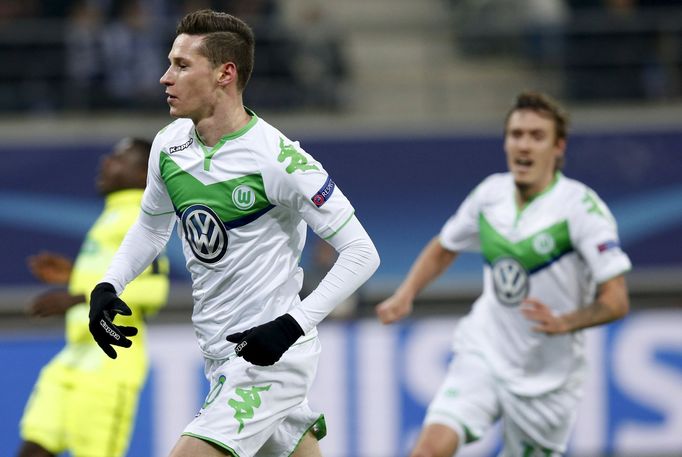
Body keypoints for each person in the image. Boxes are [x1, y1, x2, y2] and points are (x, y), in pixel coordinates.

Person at [87, 9, 379, 457]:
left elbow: (361, 252)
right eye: (170, 63)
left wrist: (291, 326)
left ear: (225, 74)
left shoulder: (281, 160)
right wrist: (110, 283)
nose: (166, 77)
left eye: (182, 66)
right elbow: (151, 225)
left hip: (272, 356)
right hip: (222, 352)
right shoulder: (169, 146)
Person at [376, 91, 631, 457]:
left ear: (558, 147)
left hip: (548, 379)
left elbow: (616, 300)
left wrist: (565, 321)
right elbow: (445, 246)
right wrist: (405, 294)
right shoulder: (489, 194)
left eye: (536, 136)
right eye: (516, 134)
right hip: (485, 351)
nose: (524, 145)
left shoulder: (583, 210)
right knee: (428, 450)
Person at [17, 138, 170, 457]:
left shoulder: (143, 218)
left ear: (144, 173)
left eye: (118, 158)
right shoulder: (112, 216)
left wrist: (75, 298)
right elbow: (112, 279)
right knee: (33, 449)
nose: (106, 163)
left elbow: (155, 291)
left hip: (110, 361)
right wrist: (73, 274)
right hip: (73, 357)